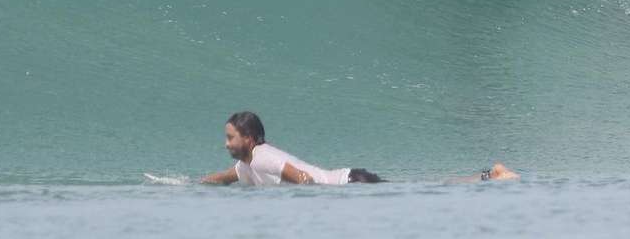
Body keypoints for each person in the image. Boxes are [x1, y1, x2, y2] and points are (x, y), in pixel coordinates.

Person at [200, 111, 519, 186]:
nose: (226, 143)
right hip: (350, 182)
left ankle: (491, 175)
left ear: (250, 139)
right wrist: (183, 185)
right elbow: (224, 177)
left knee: (423, 189)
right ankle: (490, 175)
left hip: (350, 185)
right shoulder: (247, 164)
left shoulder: (265, 158)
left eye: (231, 137)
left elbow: (303, 180)